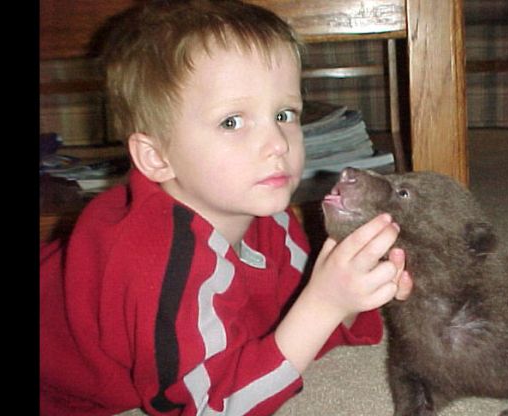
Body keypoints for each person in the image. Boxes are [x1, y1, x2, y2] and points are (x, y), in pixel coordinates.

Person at [39, 1, 413, 415]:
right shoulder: (159, 261)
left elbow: (280, 321)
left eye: (284, 114)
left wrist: (355, 292)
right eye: (232, 122)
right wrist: (324, 304)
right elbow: (211, 406)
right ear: (156, 157)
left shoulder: (266, 213)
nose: (278, 144)